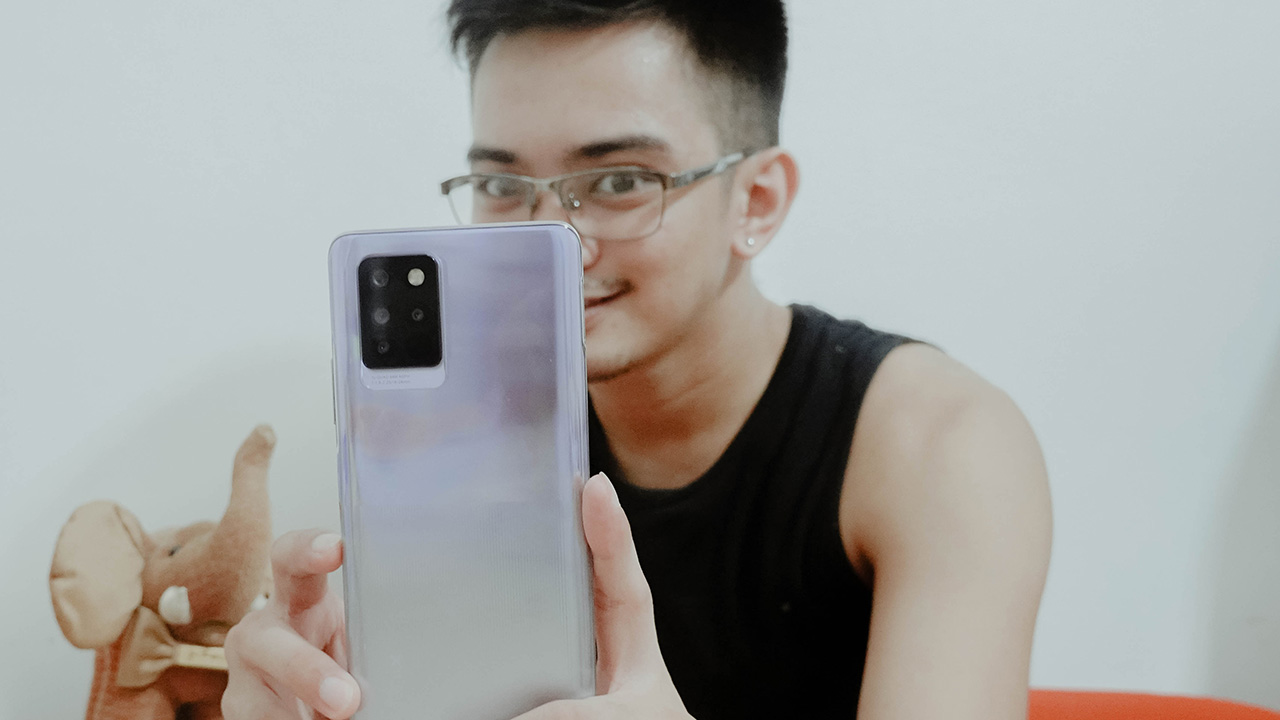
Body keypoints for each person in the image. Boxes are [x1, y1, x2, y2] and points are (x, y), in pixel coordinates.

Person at [222, 2, 1053, 718]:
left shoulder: (940, 446)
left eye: (619, 182)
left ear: (757, 201)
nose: (555, 241)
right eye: (503, 187)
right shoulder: (458, 436)